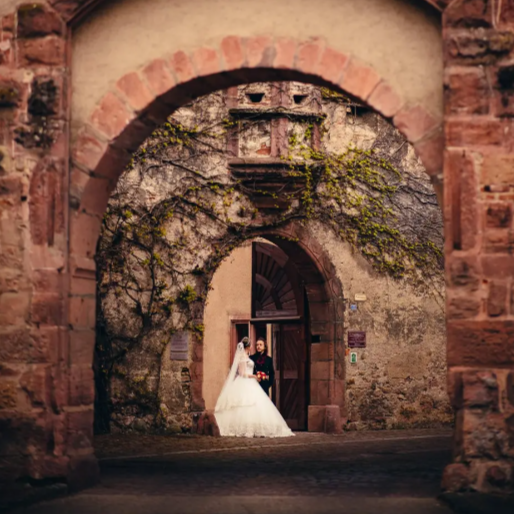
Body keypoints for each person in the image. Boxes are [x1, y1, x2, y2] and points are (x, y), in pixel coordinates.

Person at [214, 337, 294, 438]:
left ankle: (256, 427)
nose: (255, 347)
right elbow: (242, 373)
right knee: (244, 404)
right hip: (246, 381)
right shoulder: (246, 357)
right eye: (254, 345)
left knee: (257, 405)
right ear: (249, 346)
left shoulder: (251, 357)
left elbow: (269, 373)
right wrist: (254, 376)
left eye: (259, 345)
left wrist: (263, 378)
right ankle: (244, 427)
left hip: (254, 382)